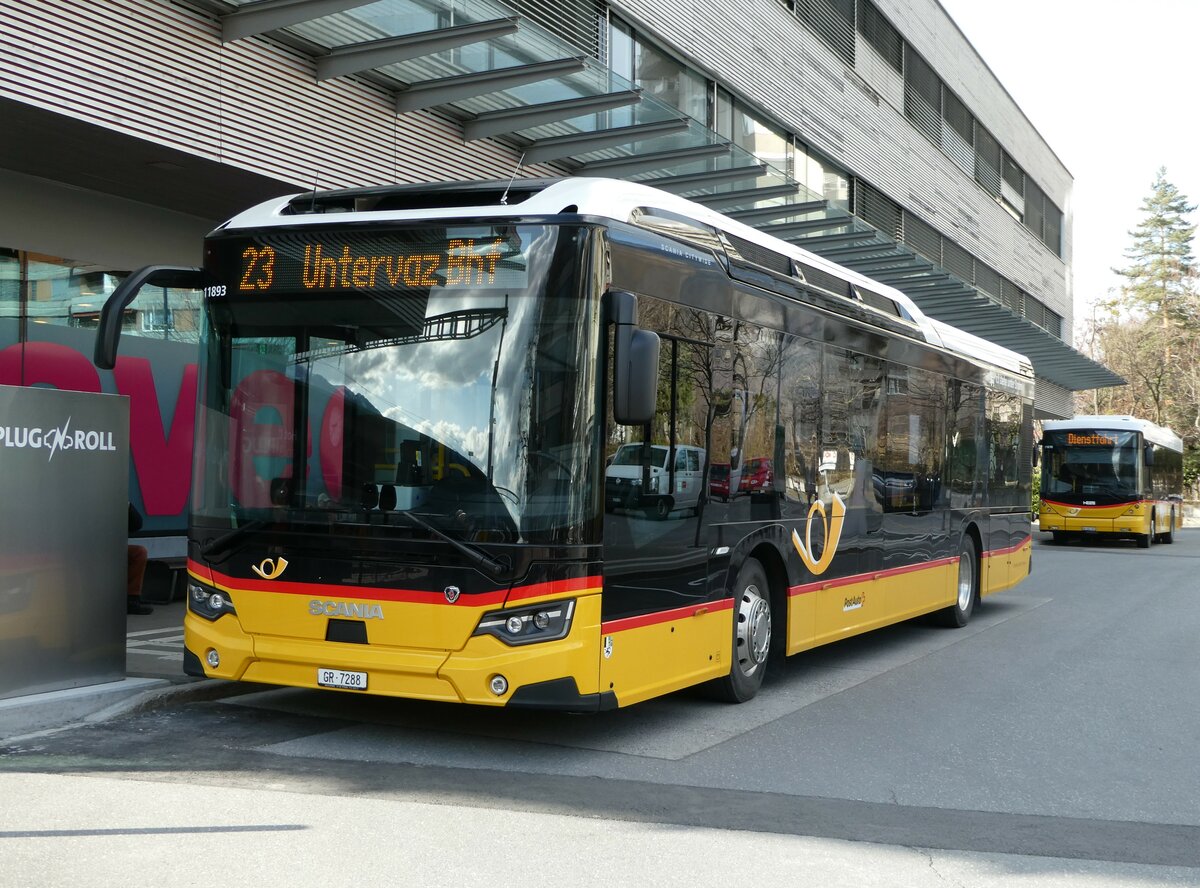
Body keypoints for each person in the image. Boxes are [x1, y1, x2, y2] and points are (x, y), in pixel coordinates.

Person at [127, 503, 153, 615]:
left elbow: (136, 525)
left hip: (113, 547)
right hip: (92, 548)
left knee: (139, 552)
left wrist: (128, 506)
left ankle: (132, 599)